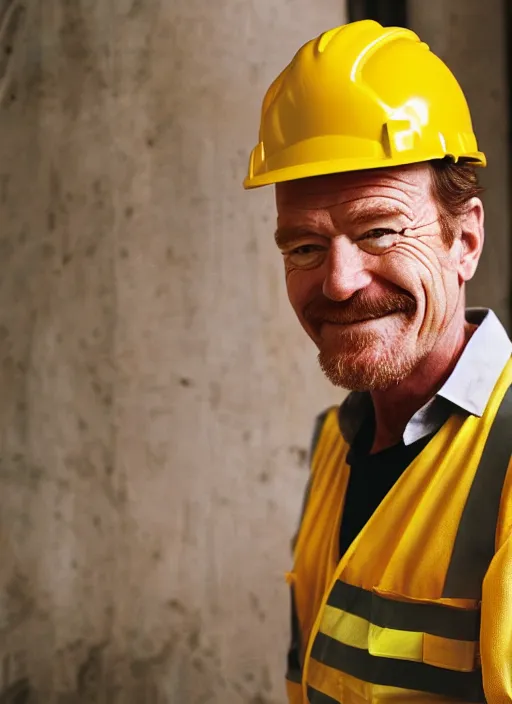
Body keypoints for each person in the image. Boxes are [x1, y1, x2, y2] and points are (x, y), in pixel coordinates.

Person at [243, 19, 512, 704]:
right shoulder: (336, 445)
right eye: (303, 246)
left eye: (379, 230)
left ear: (465, 241)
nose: (337, 281)